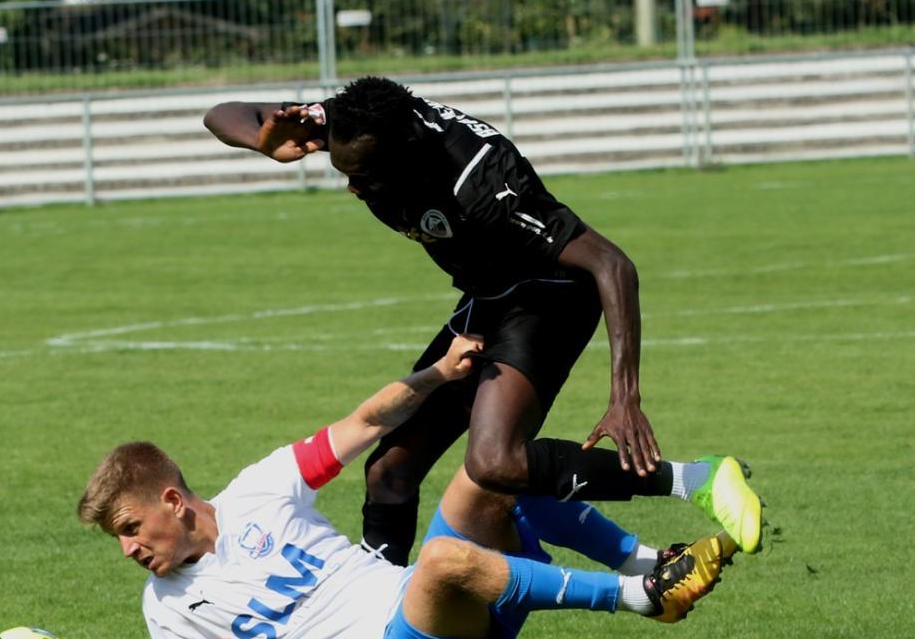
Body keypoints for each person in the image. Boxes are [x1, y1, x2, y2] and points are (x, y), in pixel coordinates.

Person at [203, 77, 763, 565]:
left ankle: (698, 479)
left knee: (494, 462)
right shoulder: (358, 120)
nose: (353, 187)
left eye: (365, 177)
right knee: (388, 473)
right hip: (488, 295)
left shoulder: (483, 177)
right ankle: (382, 619)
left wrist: (625, 396)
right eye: (342, 170)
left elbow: (611, 264)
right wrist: (262, 139)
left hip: (547, 294)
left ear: (406, 156)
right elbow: (219, 114)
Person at [77, 335, 743, 639]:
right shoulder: (166, 603)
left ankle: (643, 561)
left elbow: (365, 422)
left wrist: (438, 373)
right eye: (120, 538)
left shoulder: (260, 488)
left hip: (436, 611)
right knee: (440, 562)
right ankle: (642, 599)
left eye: (131, 526)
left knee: (495, 476)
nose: (130, 547)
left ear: (172, 499)